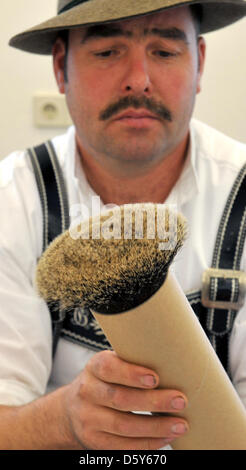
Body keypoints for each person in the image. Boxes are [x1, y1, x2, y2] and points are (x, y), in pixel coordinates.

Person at [0, 0, 246, 450]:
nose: (139, 79)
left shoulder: (240, 192)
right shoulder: (11, 202)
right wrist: (63, 421)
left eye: (165, 52)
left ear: (200, 63)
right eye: (108, 51)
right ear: (61, 67)